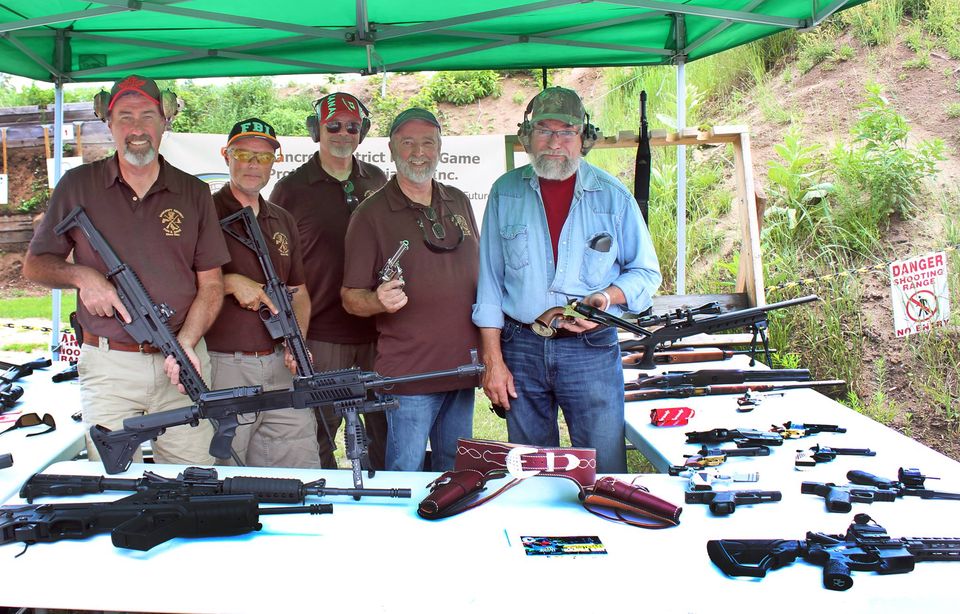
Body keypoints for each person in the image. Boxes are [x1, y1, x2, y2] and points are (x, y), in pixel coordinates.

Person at [23, 74, 230, 465]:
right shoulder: (77, 186)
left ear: (165, 122)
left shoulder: (194, 192)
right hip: (109, 366)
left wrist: (186, 343)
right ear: (109, 124)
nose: (137, 128)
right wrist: (83, 277)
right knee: (112, 483)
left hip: (180, 365)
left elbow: (212, 285)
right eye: (125, 116)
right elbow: (35, 265)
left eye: (148, 116)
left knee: (195, 477)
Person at [472, 87, 662, 473]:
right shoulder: (505, 192)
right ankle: (537, 536)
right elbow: (489, 284)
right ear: (527, 136)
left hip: (590, 348)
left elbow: (646, 273)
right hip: (521, 345)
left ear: (584, 138)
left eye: (567, 131)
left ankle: (607, 530)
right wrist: (493, 361)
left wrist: (606, 299)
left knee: (602, 467)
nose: (554, 142)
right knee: (531, 471)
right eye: (544, 130)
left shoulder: (613, 197)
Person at [341, 108, 480, 472]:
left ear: (439, 148)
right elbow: (350, 297)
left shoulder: (458, 200)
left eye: (427, 142)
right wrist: (377, 300)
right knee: (406, 470)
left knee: (456, 473)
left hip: (462, 368)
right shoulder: (370, 214)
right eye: (407, 143)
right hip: (410, 375)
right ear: (390, 149)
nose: (418, 152)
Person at [270, 92, 389, 469]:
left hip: (377, 331)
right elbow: (277, 263)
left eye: (352, 127)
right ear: (316, 131)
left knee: (383, 429)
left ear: (363, 133)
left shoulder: (378, 179)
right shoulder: (291, 188)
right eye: (333, 126)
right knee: (320, 431)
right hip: (320, 333)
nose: (343, 134)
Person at [206, 118, 321, 468]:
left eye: (264, 156)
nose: (254, 164)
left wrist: (296, 344)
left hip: (280, 365)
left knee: (299, 467)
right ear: (226, 155)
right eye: (243, 153)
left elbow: (298, 291)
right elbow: (178, 282)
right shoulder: (205, 213)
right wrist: (230, 283)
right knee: (227, 468)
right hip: (226, 365)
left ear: (276, 162)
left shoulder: (282, 219)